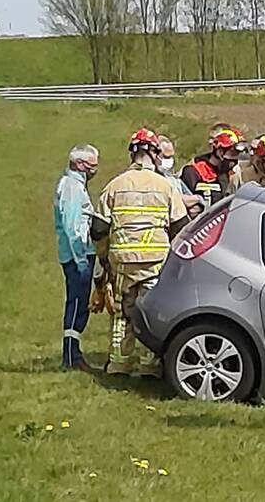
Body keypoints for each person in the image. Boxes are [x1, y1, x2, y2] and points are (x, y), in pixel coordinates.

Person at [95, 128, 189, 377]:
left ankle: (118, 363)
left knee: (121, 311)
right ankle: (150, 364)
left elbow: (98, 229)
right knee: (153, 311)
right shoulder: (165, 186)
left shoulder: (114, 185)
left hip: (122, 261)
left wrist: (104, 259)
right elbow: (182, 226)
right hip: (156, 260)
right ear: (154, 153)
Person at [53, 143, 100, 372]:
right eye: (92, 165)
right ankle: (71, 356)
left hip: (78, 255)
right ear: (79, 164)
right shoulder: (72, 187)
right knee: (77, 304)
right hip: (77, 257)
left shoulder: (75, 185)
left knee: (81, 304)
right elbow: (73, 228)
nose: (94, 169)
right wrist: (81, 260)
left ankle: (74, 352)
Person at [181, 126, 247, 213]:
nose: (235, 161)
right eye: (232, 154)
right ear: (220, 152)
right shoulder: (194, 171)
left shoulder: (232, 174)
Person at [157, 134, 203, 214]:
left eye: (170, 157)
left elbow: (197, 206)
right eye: (165, 157)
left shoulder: (175, 180)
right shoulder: (148, 179)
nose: (169, 160)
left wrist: (197, 198)